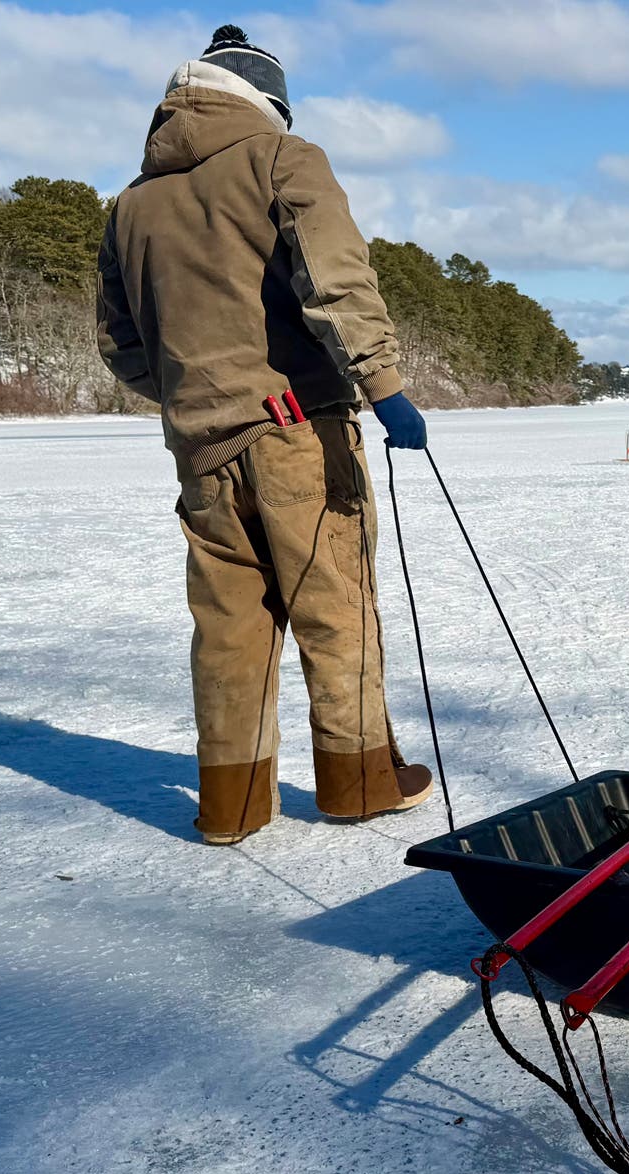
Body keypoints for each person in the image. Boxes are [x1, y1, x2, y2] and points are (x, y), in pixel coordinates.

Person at [97, 24, 434, 845]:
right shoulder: (283, 158)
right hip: (295, 435)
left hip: (199, 448)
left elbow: (122, 345)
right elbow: (336, 280)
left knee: (229, 628)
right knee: (335, 608)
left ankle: (231, 806)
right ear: (269, 103)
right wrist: (384, 387)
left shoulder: (132, 205)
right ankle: (360, 783)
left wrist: (197, 396)